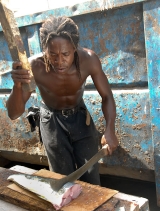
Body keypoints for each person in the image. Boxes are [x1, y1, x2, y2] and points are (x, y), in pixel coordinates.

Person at [6, 16, 118, 186]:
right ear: (45, 50)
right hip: (51, 121)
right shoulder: (35, 67)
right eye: (53, 54)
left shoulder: (89, 59)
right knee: (62, 181)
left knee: (91, 179)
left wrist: (110, 129)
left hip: (81, 118)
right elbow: (14, 114)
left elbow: (107, 96)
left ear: (74, 47)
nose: (59, 61)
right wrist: (17, 86)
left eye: (65, 54)